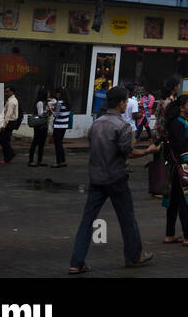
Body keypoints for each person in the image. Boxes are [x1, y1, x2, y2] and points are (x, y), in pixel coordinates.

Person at [67, 86, 158, 274]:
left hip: (96, 178)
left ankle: (76, 262)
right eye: (125, 101)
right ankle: (134, 255)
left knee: (87, 221)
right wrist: (147, 152)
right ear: (121, 103)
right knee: (127, 219)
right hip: (116, 178)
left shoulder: (97, 124)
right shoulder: (122, 126)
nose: (127, 104)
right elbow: (128, 152)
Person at [161, 94, 188, 248]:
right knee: (185, 202)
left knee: (173, 202)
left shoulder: (182, 122)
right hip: (181, 168)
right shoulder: (178, 124)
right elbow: (181, 148)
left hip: (175, 168)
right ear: (181, 108)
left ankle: (170, 234)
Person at [27, 87, 50, 166]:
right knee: (35, 142)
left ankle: (40, 160)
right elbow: (40, 114)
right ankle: (31, 160)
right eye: (47, 93)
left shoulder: (45, 102)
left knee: (42, 144)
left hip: (44, 125)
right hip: (39, 126)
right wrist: (47, 111)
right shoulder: (40, 103)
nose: (49, 94)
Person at [0, 85, 20, 164]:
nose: (5, 93)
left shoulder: (11, 101)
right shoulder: (11, 100)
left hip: (10, 122)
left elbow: (8, 115)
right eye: (5, 91)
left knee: (3, 139)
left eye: (7, 91)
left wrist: (3, 125)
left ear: (12, 92)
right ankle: (10, 153)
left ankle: (7, 157)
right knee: (3, 139)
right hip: (10, 122)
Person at [51, 89, 71, 167]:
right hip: (64, 125)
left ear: (60, 94)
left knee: (57, 144)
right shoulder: (68, 103)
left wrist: (51, 109)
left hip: (58, 126)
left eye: (57, 93)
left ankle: (58, 162)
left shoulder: (59, 103)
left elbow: (56, 115)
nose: (56, 95)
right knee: (60, 143)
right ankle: (63, 161)